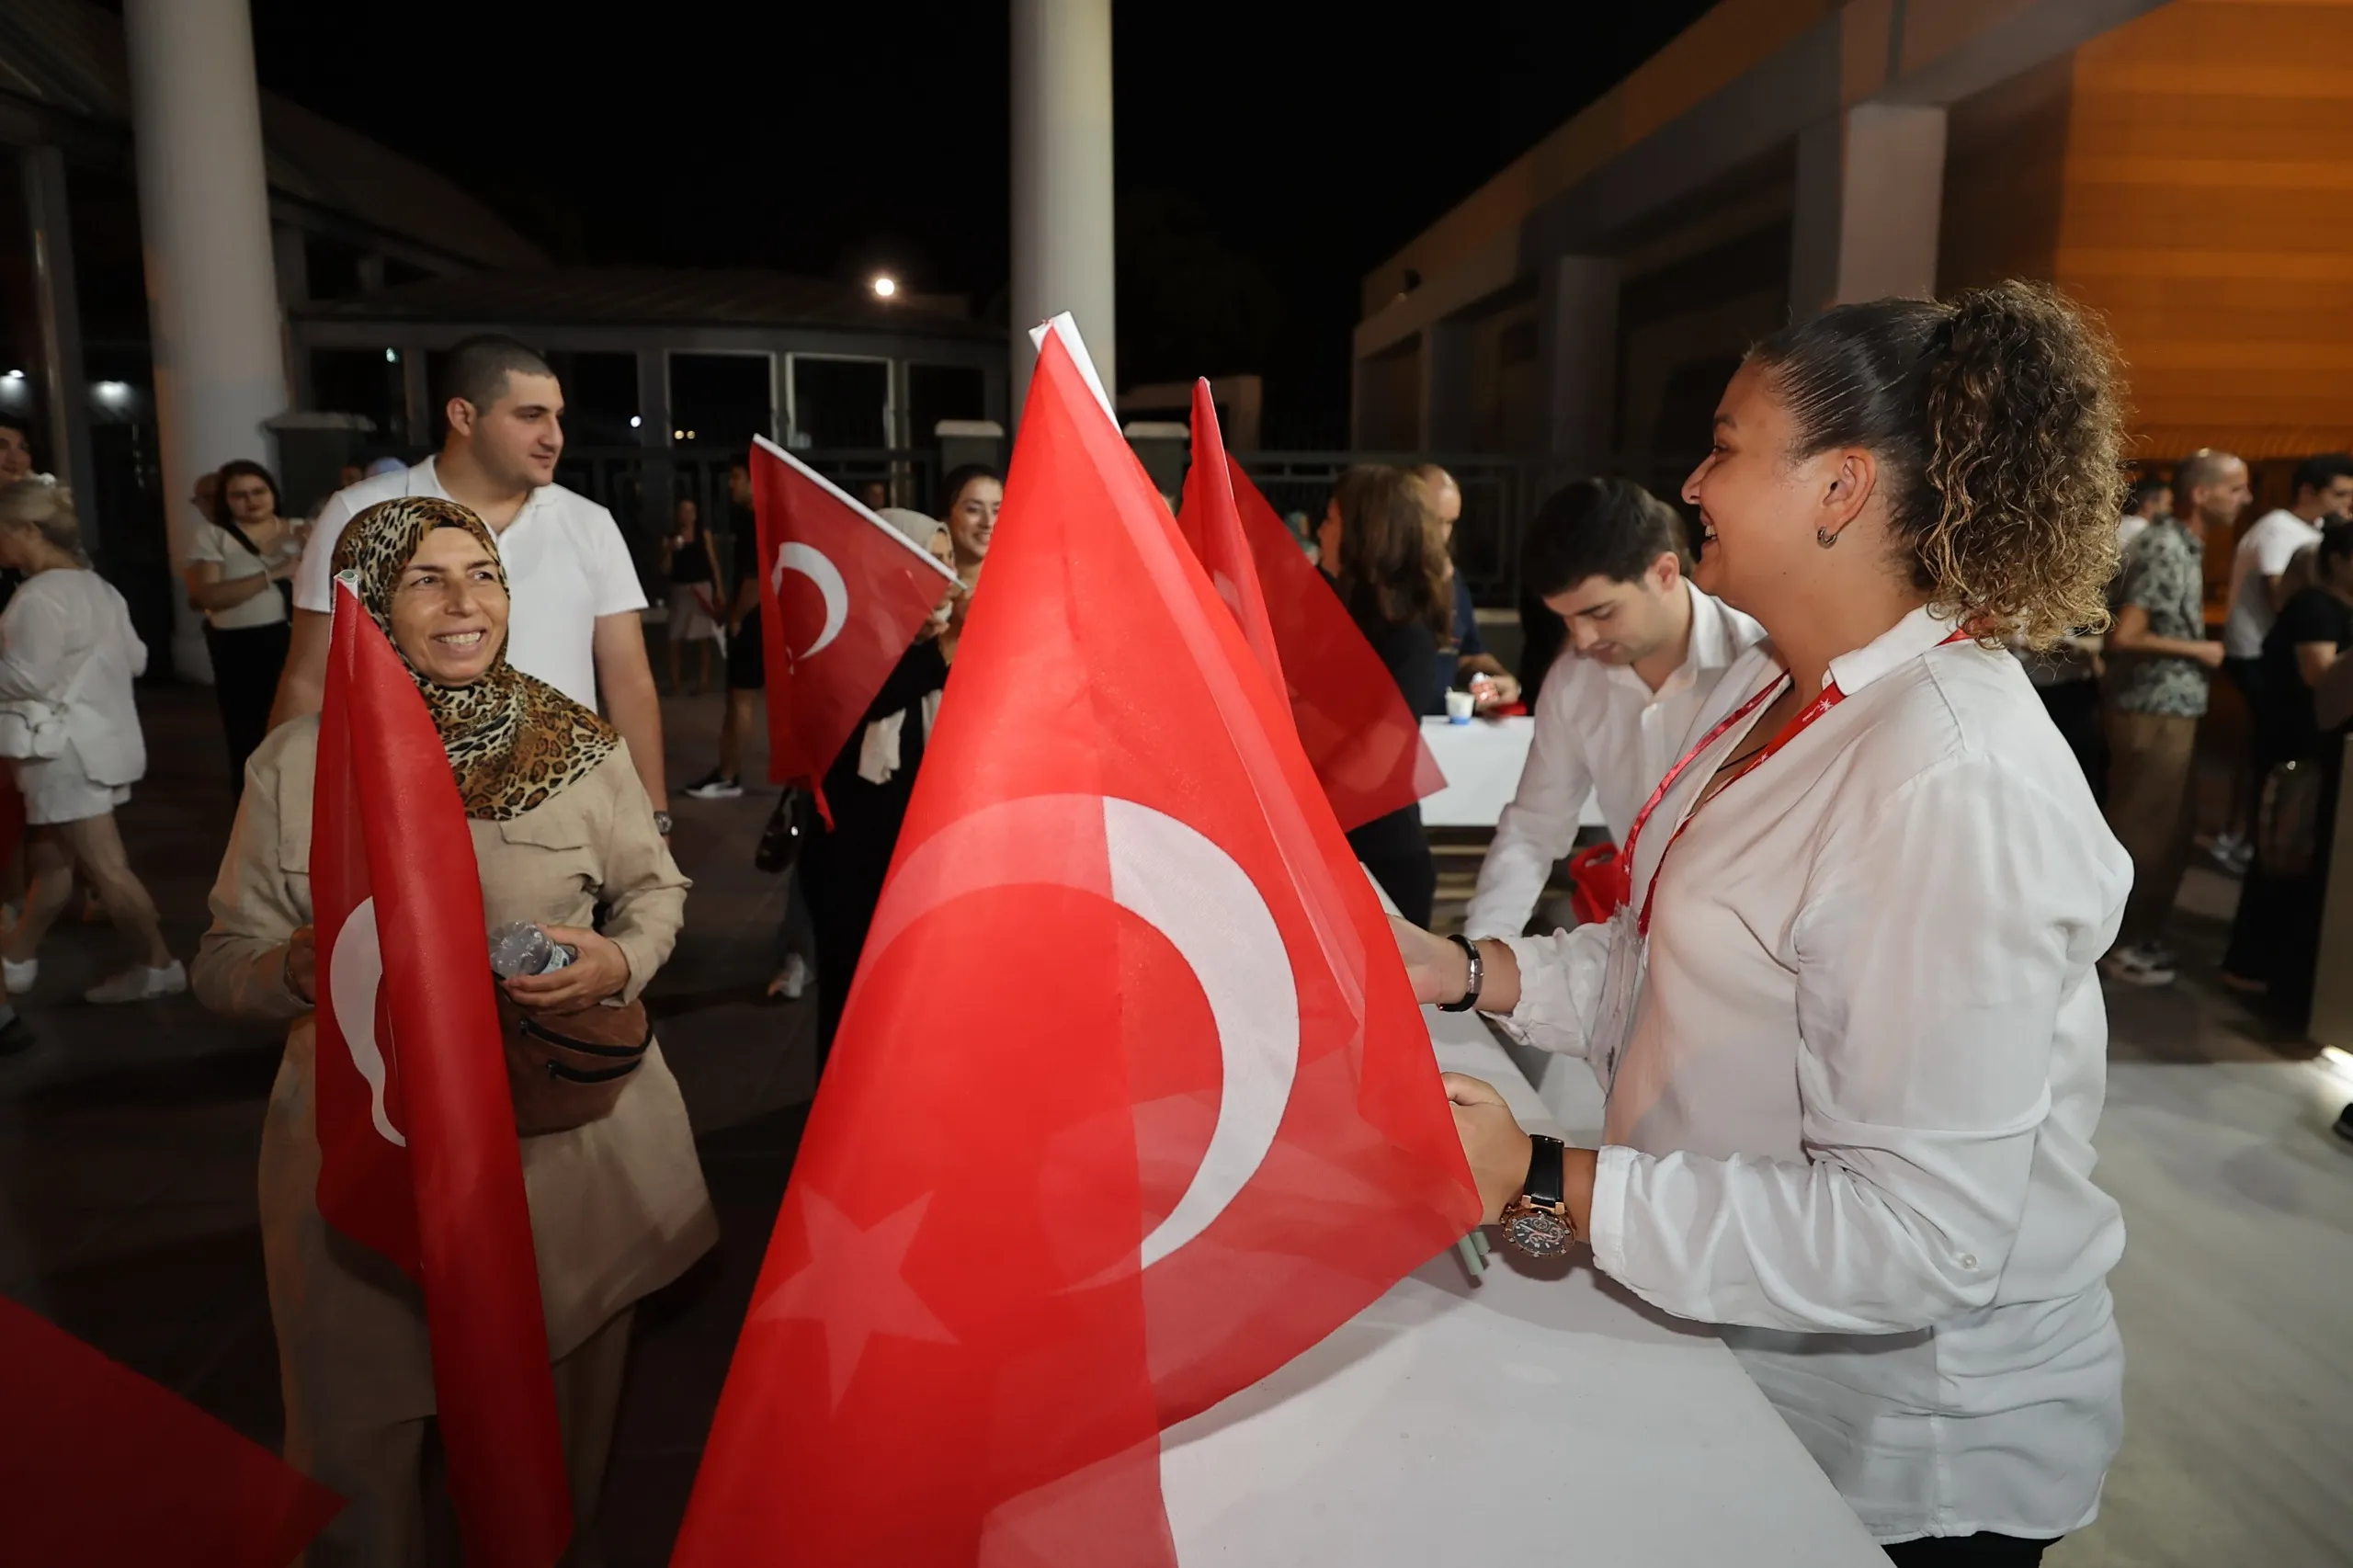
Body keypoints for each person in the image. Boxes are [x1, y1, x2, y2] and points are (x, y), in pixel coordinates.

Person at [1395, 283, 2131, 1565]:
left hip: (1912, 1452)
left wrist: (1548, 1181)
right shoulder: (1773, 693)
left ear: (1839, 489)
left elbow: (1920, 1236)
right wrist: (1465, 969)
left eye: (1728, 446)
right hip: (1746, 1364)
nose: (1692, 480)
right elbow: (1673, 972)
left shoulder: (1946, 778)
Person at [192, 496, 714, 1563]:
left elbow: (654, 891)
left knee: (551, 1439)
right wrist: (289, 964)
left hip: (562, 1153)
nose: (466, 602)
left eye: (484, 573)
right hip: (367, 1150)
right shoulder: (298, 765)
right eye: (428, 579)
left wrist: (616, 959)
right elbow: (218, 960)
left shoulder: (577, 743)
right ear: (371, 601)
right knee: (353, 1427)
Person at [269, 335, 671, 835]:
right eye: (530, 416)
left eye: (557, 416)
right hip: (405, 814)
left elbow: (629, 682)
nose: (554, 436)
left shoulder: (589, 523)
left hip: (562, 810)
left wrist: (653, 815)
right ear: (463, 417)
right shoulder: (360, 513)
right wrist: (281, 819)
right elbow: (310, 678)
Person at [1462, 477, 1764, 940]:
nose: (1582, 639)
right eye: (1567, 619)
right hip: (1641, 934)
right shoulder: (1573, 681)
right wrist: (1479, 952)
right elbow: (1534, 829)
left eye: (1600, 613)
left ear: (1663, 573)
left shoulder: (1757, 661)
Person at [0, 481, 182, 1004]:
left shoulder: (37, 596)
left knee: (104, 866)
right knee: (56, 860)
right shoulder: (99, 588)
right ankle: (16, 957)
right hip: (97, 743)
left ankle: (158, 965)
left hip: (63, 752)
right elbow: (137, 660)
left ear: (28, 531)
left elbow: (26, 678)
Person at [801, 507, 963, 1062]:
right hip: (852, 862)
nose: (947, 571)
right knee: (853, 998)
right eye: (930, 559)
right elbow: (864, 704)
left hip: (917, 859)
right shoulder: (846, 644)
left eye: (948, 558)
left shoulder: (934, 647)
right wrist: (934, 647)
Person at [2100, 448, 2242, 986]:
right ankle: (2116, 944)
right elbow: (2127, 636)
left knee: (2166, 829)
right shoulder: (2164, 545)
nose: (2244, 499)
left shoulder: (2184, 544)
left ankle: (2134, 937)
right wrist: (2198, 651)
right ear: (2200, 494)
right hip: (2151, 705)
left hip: (2167, 705)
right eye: (2235, 488)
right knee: (2143, 831)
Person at [2220, 520, 2353, 1009]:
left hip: (2323, 755)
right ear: (2338, 559)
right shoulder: (2316, 606)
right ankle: (2254, 970)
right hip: (2301, 755)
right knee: (2285, 855)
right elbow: (2320, 677)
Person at [1318, 464, 1449, 924]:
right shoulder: (1318, 617)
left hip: (1380, 862)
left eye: (1331, 519)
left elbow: (1373, 765)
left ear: (1363, 535)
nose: (1319, 530)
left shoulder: (1404, 638)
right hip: (1320, 853)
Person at [2213, 453, 2353, 875]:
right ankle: (2250, 839)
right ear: (2309, 492)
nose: (2347, 505)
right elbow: (2283, 599)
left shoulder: (2308, 535)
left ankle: (2247, 837)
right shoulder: (2281, 531)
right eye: (2340, 495)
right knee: (2275, 762)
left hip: (2274, 658)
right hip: (2260, 658)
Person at [187, 459, 301, 790]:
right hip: (240, 645)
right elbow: (208, 595)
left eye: (258, 491)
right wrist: (274, 573)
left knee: (297, 728)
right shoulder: (213, 536)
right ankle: (252, 817)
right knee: (248, 734)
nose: (252, 500)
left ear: (273, 492)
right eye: (239, 495)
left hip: (293, 638)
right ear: (225, 500)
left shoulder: (300, 528)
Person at [684, 460, 763, 801]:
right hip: (750, 619)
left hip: (751, 621)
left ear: (752, 480)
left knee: (741, 698)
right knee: (734, 698)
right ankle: (725, 772)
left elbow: (755, 580)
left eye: (736, 477)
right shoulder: (753, 519)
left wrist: (735, 617)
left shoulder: (756, 522)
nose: (730, 485)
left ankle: (729, 776)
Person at [1414, 463, 1521, 707]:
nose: (1442, 535)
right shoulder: (1377, 582)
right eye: (1433, 520)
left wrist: (1499, 679)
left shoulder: (1452, 579)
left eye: (1450, 523)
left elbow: (1466, 655)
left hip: (1445, 728)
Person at [659, 495, 722, 694]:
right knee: (675, 637)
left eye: (690, 511)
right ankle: (675, 682)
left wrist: (719, 589)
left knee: (702, 637)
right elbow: (664, 569)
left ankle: (703, 681)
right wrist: (668, 551)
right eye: (683, 511)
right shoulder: (670, 538)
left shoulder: (703, 535)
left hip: (701, 588)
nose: (686, 515)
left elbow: (713, 564)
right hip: (680, 589)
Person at [2117, 473, 2170, 554]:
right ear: (2149, 504)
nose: (2169, 510)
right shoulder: (2143, 530)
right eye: (2167, 504)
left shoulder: (2119, 524)